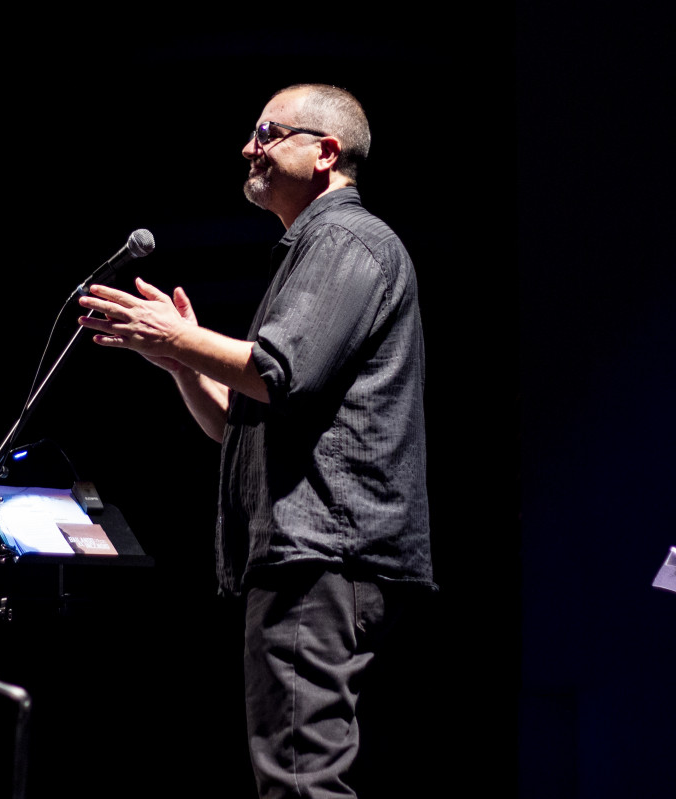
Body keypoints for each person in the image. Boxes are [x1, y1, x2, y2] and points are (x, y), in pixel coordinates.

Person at [78, 83, 434, 798]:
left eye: (268, 133)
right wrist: (180, 359)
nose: (249, 148)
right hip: (317, 558)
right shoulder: (315, 249)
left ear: (325, 152)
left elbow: (276, 371)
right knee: (301, 776)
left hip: (320, 556)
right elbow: (234, 422)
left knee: (301, 783)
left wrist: (183, 334)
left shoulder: (344, 239)